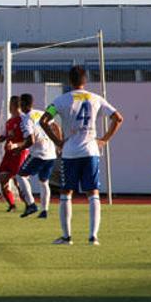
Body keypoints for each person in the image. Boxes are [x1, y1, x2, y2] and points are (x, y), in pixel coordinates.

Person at [40, 66, 124, 246]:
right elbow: (118, 118)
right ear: (85, 81)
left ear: (70, 81)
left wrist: (57, 141)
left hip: (70, 152)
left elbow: (44, 120)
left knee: (66, 192)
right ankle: (93, 237)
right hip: (91, 150)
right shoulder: (95, 98)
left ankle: (66, 237)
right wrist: (104, 140)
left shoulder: (61, 100)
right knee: (92, 192)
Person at [16, 93, 60, 219]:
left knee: (21, 176)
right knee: (44, 181)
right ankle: (44, 210)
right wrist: (58, 143)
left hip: (39, 154)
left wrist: (20, 149)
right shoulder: (41, 113)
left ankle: (31, 204)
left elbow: (31, 140)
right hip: (51, 153)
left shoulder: (26, 118)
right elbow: (56, 126)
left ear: (22, 104)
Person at [0, 96, 31, 213]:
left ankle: (29, 205)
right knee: (3, 179)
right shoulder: (9, 122)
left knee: (18, 182)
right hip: (8, 154)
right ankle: (12, 205)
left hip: (20, 153)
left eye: (10, 104)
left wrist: (15, 145)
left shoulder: (23, 120)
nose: (9, 106)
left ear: (15, 105)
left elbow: (28, 140)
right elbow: (5, 137)